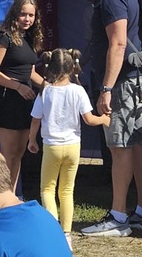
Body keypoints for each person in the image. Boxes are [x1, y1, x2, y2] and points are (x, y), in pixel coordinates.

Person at [68, 0, 142, 239]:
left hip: (121, 82)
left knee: (120, 147)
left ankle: (118, 217)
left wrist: (106, 88)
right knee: (137, 144)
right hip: (135, 78)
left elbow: (118, 43)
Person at [29, 48, 104, 229]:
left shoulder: (45, 91)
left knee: (47, 189)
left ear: (49, 67)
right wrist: (104, 119)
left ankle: (52, 227)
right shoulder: (78, 91)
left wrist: (31, 140)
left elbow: (35, 120)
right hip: (73, 146)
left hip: (51, 146)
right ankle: (67, 233)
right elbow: (89, 119)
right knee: (67, 191)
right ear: (72, 68)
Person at [0, 0, 44, 195]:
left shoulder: (29, 37)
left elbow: (30, 72)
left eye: (31, 15)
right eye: (23, 14)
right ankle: (0, 197)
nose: (27, 19)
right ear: (14, 14)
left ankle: (11, 195)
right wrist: (17, 87)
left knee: (18, 153)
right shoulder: (3, 36)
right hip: (8, 101)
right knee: (8, 154)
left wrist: (50, 86)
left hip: (26, 102)